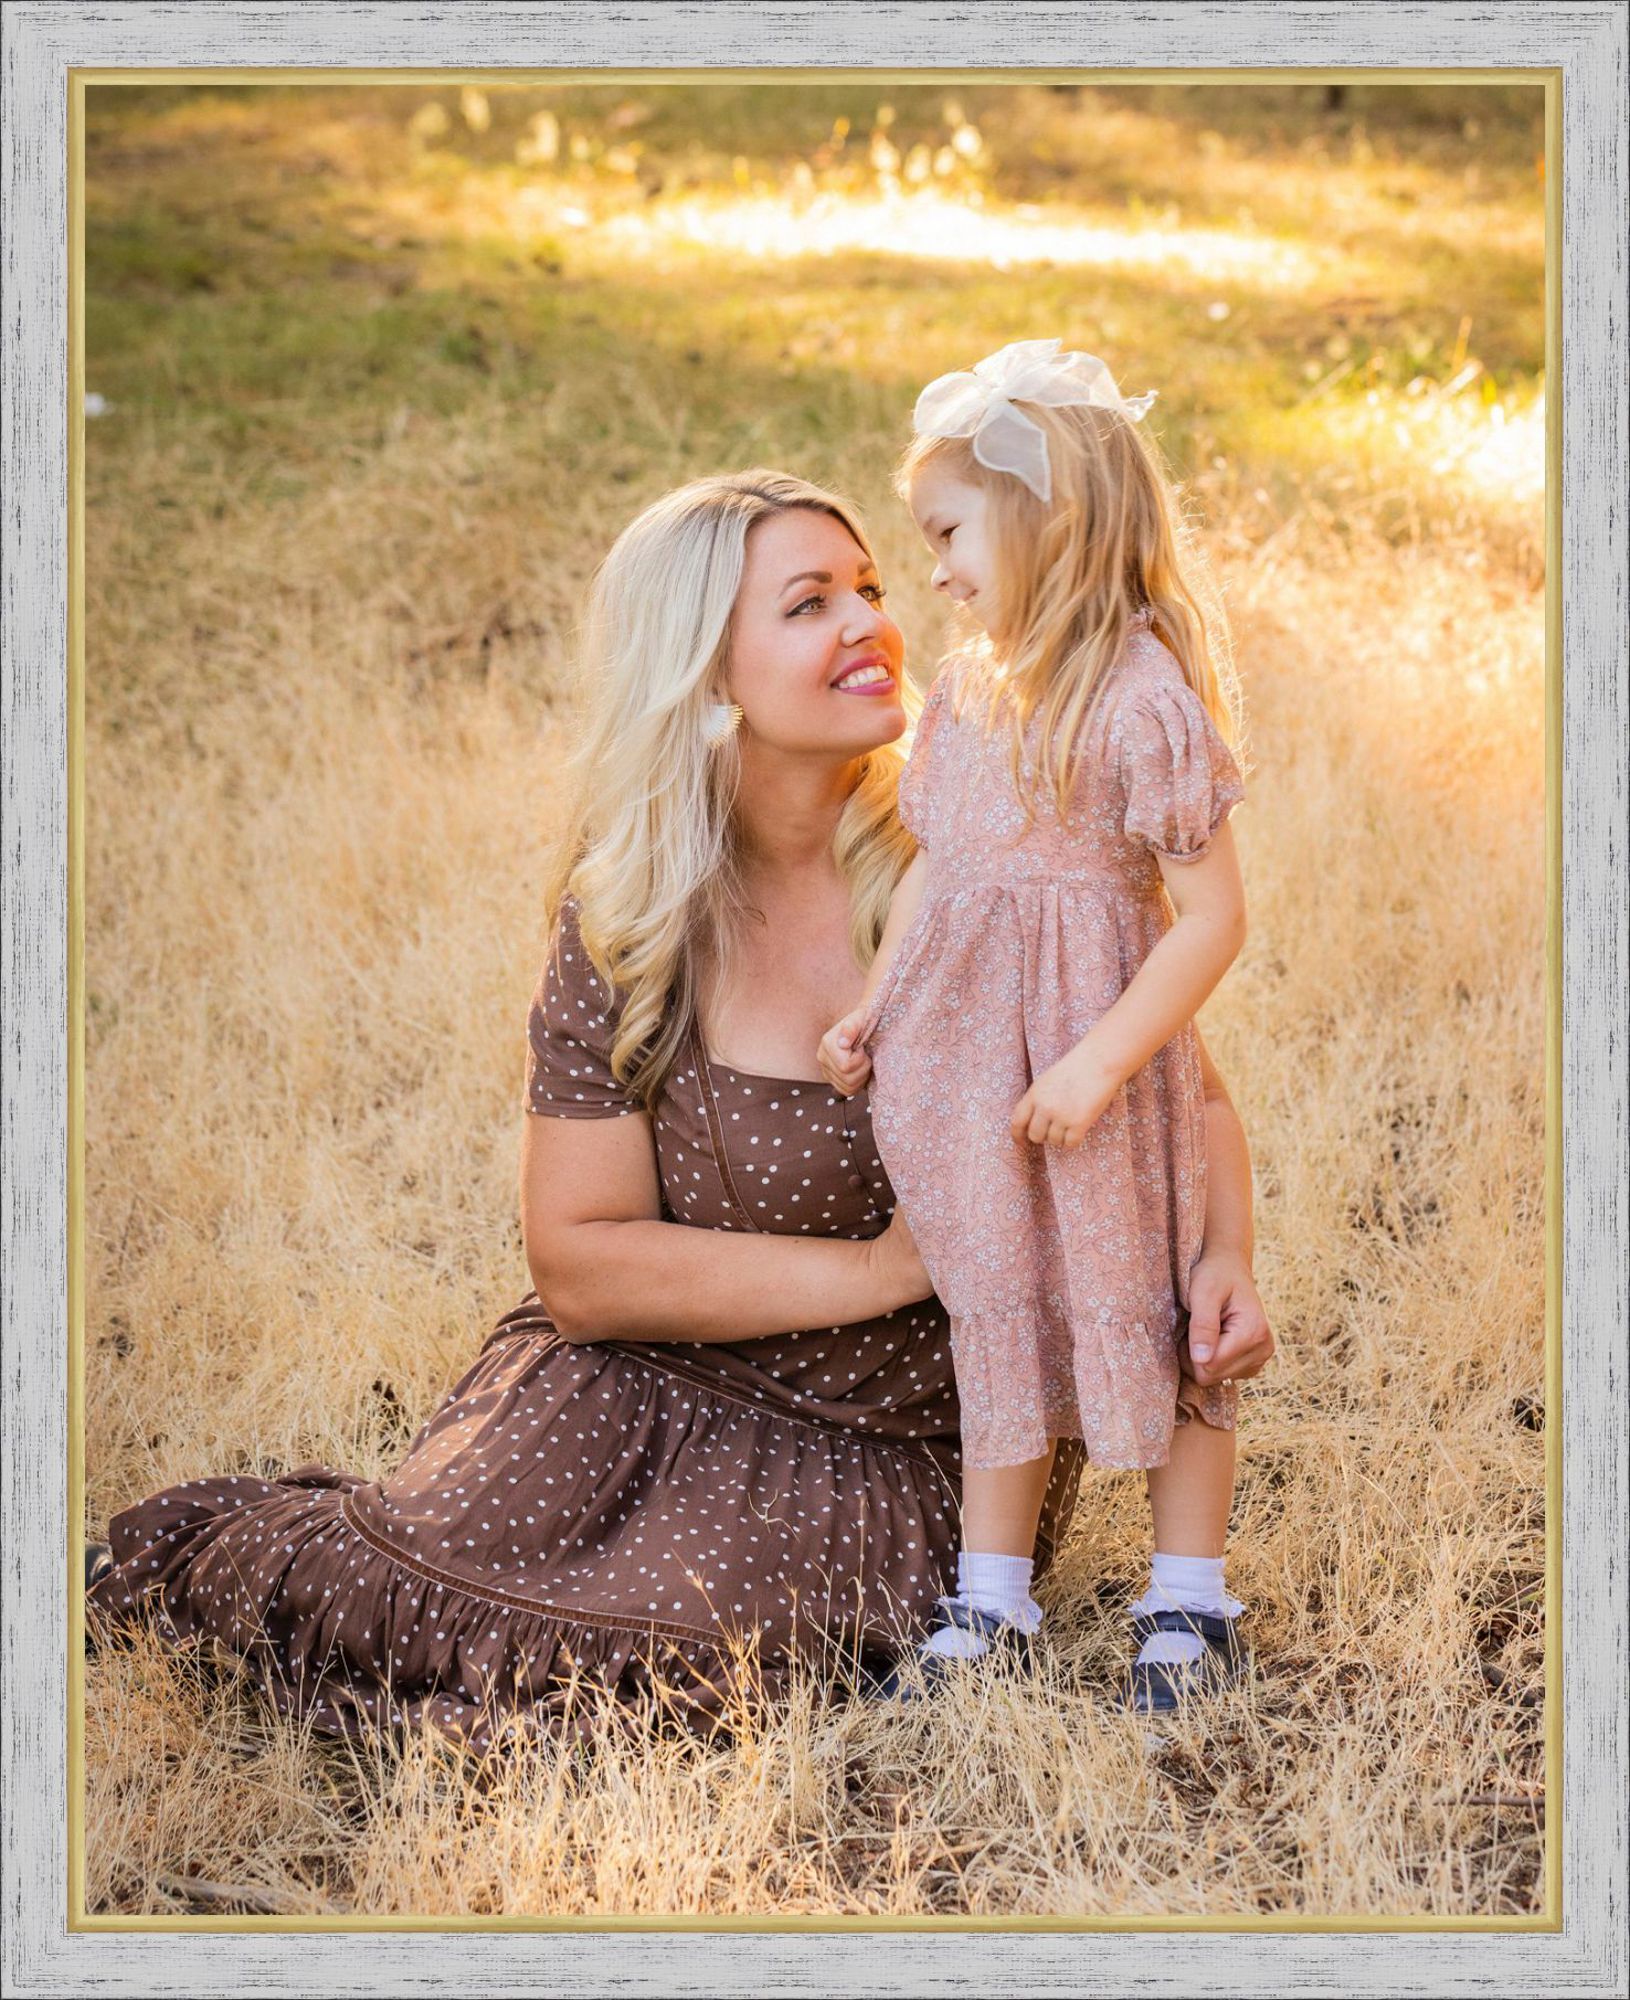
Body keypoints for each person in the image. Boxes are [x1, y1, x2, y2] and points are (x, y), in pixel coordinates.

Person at [87, 468, 1273, 1750]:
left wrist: (1220, 1256)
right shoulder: (640, 905)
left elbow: (1178, 1091)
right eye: (808, 604)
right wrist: (886, 1262)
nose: (871, 623)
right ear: (706, 666)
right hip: (626, 1388)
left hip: (879, 1435)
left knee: (638, 1682)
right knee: (380, 1585)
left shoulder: (980, 858)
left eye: (871, 587)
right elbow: (584, 1264)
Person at [819, 342, 1260, 1711]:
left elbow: (1209, 920)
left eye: (947, 534)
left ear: (1045, 518)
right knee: (1000, 1309)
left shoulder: (1140, 703)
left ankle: (1188, 1599)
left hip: (1100, 1066)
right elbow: (944, 874)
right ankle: (989, 1598)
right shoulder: (965, 693)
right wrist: (876, 1003)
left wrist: (1098, 1058)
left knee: (1166, 1299)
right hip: (975, 1073)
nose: (934, 573)